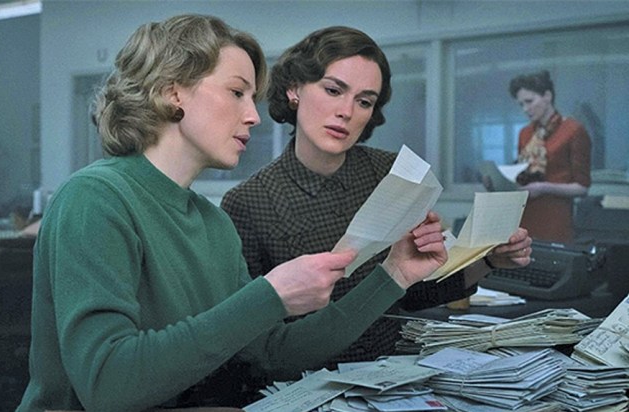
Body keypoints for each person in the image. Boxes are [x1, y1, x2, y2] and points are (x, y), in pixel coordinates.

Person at [13, 15, 450, 412]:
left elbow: (272, 354)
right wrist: (269, 295)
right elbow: (107, 387)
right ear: (173, 92)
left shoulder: (213, 223)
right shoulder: (95, 198)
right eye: (237, 92)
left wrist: (393, 274)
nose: (255, 116)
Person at [221, 26, 532, 367]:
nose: (347, 111)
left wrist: (487, 261)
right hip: (303, 378)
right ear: (294, 90)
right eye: (333, 90)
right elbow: (252, 341)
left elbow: (413, 292)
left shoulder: (392, 173)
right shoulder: (248, 202)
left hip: (392, 372)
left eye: (364, 101)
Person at [508, 70, 591, 243]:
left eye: (529, 101)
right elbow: (521, 174)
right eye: (521, 104)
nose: (525, 109)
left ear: (547, 96)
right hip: (524, 217)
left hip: (554, 219)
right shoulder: (525, 133)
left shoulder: (573, 130)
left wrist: (544, 187)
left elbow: (582, 188)